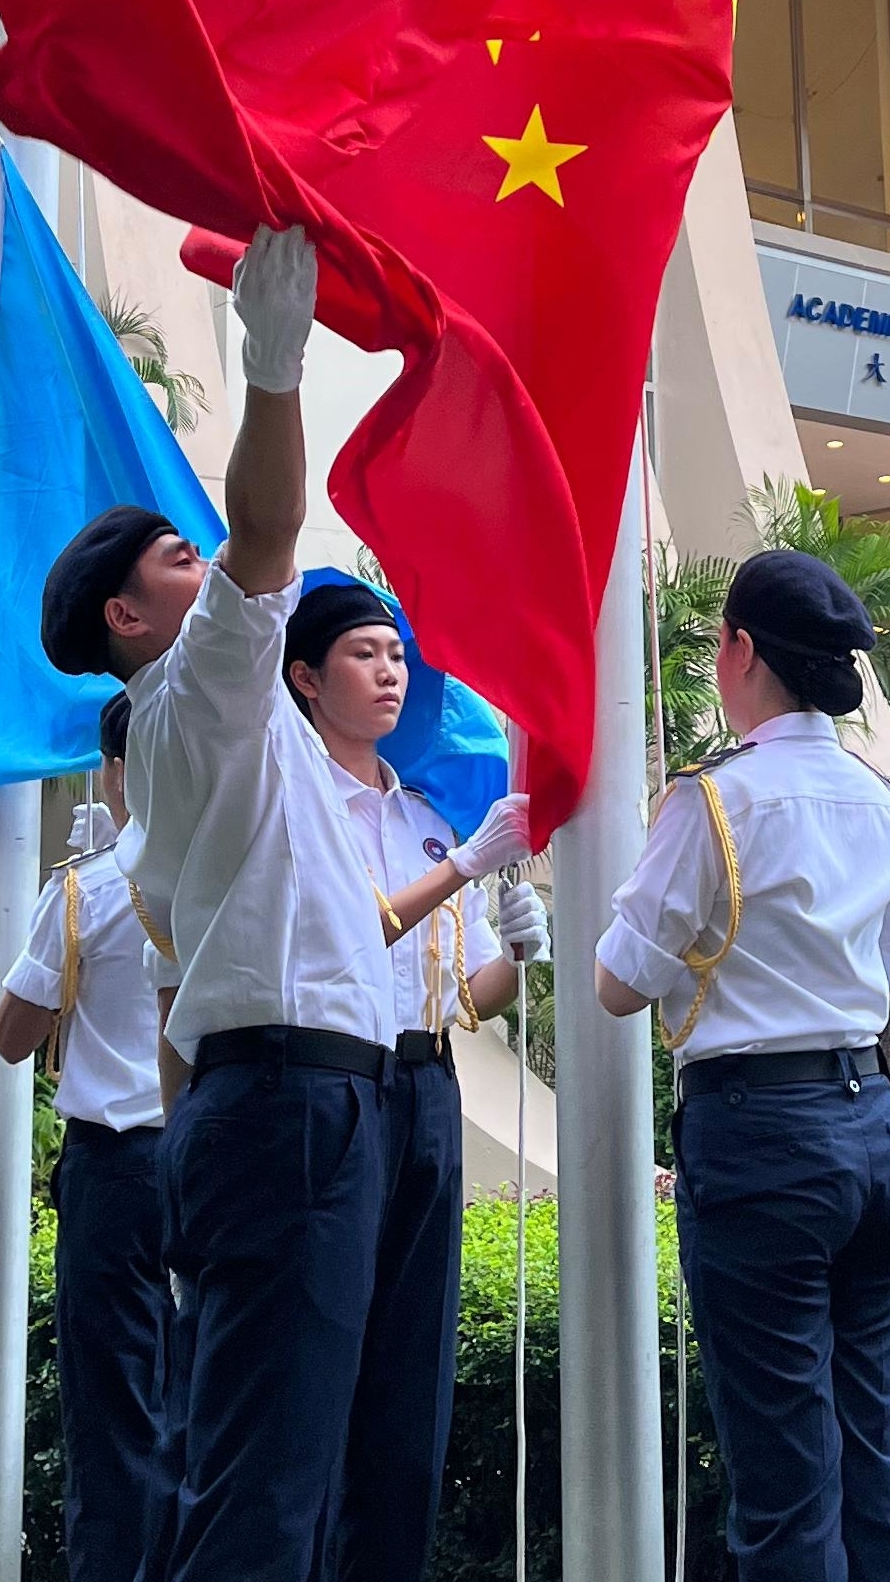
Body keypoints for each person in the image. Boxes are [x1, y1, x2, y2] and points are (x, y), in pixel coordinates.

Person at [36, 224, 531, 1582]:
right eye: (171, 567)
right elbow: (267, 527)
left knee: (311, 1474)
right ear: (129, 622)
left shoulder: (252, 741)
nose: (204, 570)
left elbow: (277, 964)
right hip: (292, 1100)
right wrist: (272, 358)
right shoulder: (194, 694)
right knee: (263, 1489)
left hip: (311, 1098)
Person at [594, 549, 890, 1582]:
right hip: (872, 1124)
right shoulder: (878, 798)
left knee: (784, 1475)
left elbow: (618, 983)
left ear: (741, 651)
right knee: (869, 1449)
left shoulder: (712, 801)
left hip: (762, 1136)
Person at [283, 577, 548, 1582]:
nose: (389, 672)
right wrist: (467, 866)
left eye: (395, 654)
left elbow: (464, 993)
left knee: (411, 1368)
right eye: (362, 653)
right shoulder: (298, 805)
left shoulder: (424, 818)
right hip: (330, 1087)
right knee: (318, 1361)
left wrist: (518, 955)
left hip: (423, 1084)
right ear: (305, 677)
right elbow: (341, 938)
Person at [0, 691, 176, 1582]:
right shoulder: (236, 874)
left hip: (136, 1163)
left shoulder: (85, 888)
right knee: (176, 1398)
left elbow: (12, 1033)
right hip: (180, 1158)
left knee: (122, 1410)